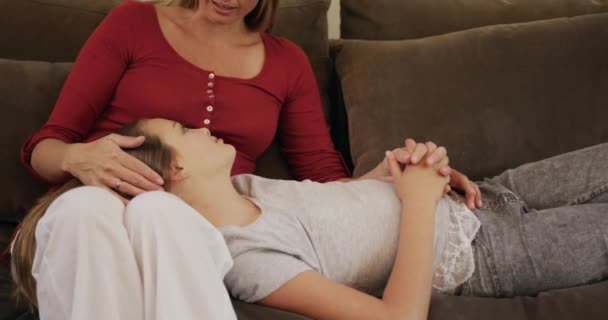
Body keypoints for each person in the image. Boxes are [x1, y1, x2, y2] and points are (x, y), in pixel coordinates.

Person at [12, 118, 608, 320]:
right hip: (489, 252)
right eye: (184, 131)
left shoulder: (246, 185)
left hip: (486, 193)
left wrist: (393, 173)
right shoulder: (245, 258)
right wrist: (419, 203)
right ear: (173, 173)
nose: (200, 126)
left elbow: (336, 206)